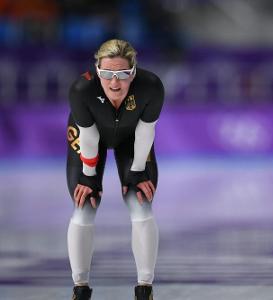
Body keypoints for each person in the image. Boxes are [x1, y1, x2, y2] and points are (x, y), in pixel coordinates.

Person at [66, 39, 164, 300]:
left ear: (133, 72)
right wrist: (88, 176)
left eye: (122, 74)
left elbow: (146, 132)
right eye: (107, 74)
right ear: (97, 71)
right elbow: (88, 137)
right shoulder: (81, 89)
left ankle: (145, 288)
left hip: (133, 139)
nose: (114, 83)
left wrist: (137, 171)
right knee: (85, 203)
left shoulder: (151, 87)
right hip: (90, 137)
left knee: (139, 200)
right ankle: (80, 288)